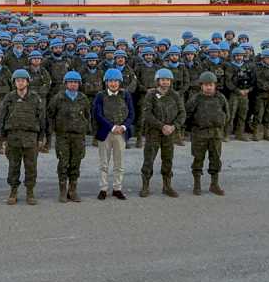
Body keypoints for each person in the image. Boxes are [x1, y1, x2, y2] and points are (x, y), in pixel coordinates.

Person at [0, 69, 46, 205]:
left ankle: (30, 192)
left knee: (31, 166)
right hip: (13, 137)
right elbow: (1, 118)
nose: (20, 83)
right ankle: (13, 191)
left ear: (28, 82)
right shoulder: (9, 98)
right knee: (13, 166)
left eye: (23, 80)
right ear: (14, 83)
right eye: (18, 80)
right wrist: (2, 139)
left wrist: (41, 137)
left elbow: (42, 119)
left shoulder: (35, 98)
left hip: (30, 137)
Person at [139, 68, 186, 198]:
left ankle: (167, 186)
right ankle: (145, 186)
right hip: (153, 132)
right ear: (157, 81)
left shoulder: (175, 95)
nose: (165, 82)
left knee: (168, 160)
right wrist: (162, 126)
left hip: (170, 134)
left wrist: (174, 126)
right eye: (162, 80)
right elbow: (147, 113)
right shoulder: (151, 95)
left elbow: (182, 113)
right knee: (149, 160)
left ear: (171, 81)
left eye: (167, 80)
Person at [47, 71, 90, 203]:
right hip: (63, 136)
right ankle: (63, 190)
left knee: (76, 162)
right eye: (70, 82)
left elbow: (88, 116)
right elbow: (50, 114)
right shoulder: (58, 98)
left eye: (75, 82)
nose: (73, 85)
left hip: (78, 136)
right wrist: (52, 131)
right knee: (63, 163)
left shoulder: (83, 98)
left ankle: (73, 190)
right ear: (66, 84)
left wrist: (85, 129)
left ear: (79, 84)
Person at [93, 68, 135, 200]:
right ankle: (103, 188)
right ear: (106, 82)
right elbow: (98, 115)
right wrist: (112, 127)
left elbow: (131, 114)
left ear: (120, 82)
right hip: (106, 133)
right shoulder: (100, 96)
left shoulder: (126, 95)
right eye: (110, 81)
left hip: (121, 133)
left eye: (116, 81)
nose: (113, 84)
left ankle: (117, 188)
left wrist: (123, 127)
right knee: (104, 163)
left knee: (119, 163)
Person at [185, 71, 229, 196]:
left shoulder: (220, 98)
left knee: (215, 159)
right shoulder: (195, 99)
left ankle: (214, 184)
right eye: (206, 85)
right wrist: (194, 129)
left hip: (216, 133)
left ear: (215, 85)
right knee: (198, 159)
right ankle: (197, 184)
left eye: (211, 85)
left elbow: (227, 113)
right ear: (201, 86)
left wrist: (221, 125)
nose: (209, 87)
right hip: (200, 133)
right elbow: (187, 115)